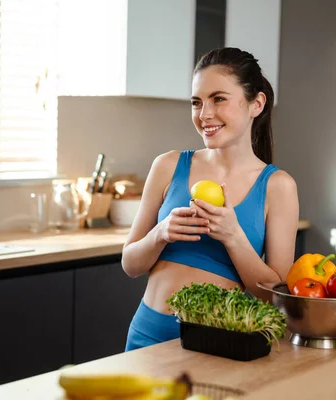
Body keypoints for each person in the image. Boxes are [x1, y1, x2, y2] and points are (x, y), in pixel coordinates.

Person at [121, 47, 300, 351]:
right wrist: (160, 233)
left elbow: (276, 297)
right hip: (146, 336)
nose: (204, 114)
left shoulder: (277, 186)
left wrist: (234, 238)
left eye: (218, 99)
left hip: (217, 345)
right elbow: (130, 263)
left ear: (256, 104)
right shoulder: (168, 165)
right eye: (196, 102)